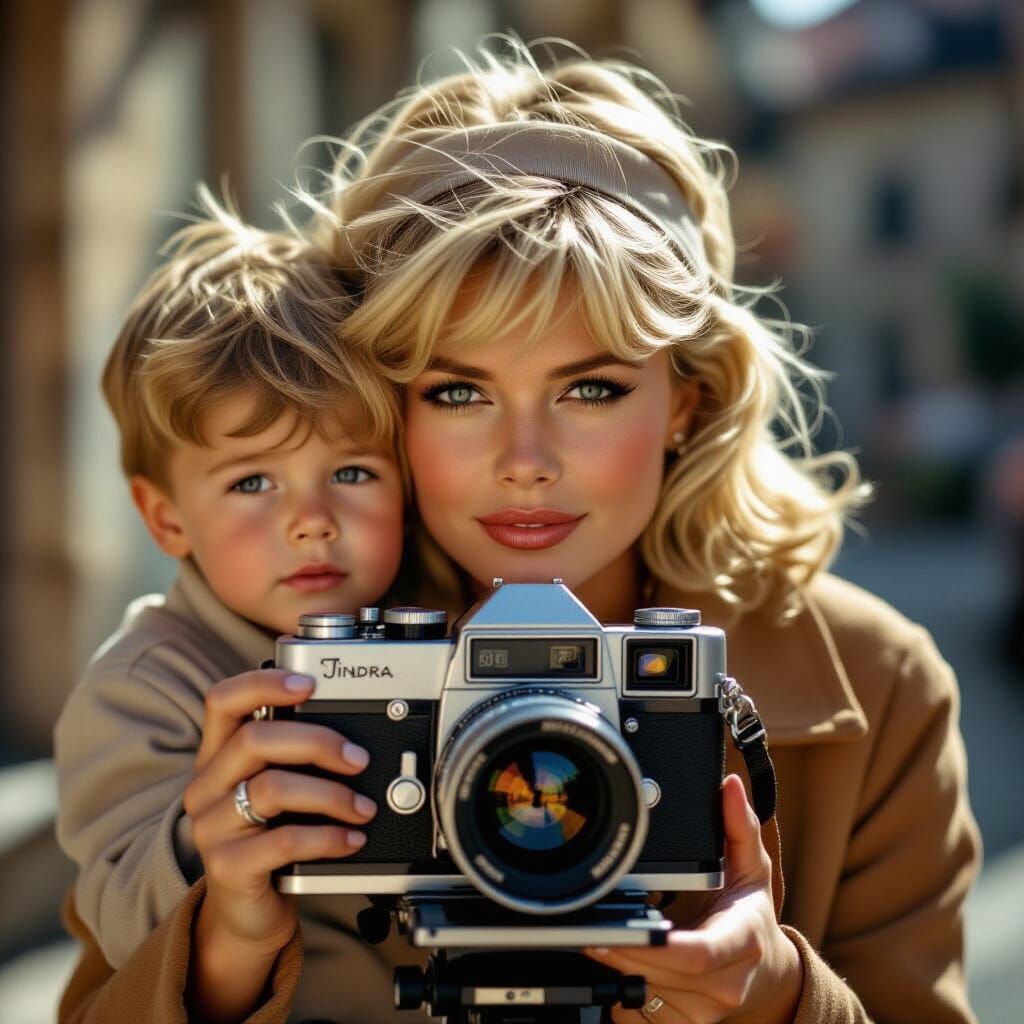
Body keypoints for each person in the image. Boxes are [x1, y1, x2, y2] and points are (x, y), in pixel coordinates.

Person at [58, 39, 981, 1024]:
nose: (525, 459)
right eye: (458, 392)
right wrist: (218, 947)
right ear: (380, 404)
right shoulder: (260, 673)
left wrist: (781, 998)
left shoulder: (874, 689)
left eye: (591, 388)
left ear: (687, 400)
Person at [54, 191, 409, 1019]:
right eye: (253, 482)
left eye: (352, 472)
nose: (312, 519)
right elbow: (123, 928)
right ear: (166, 518)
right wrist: (206, 839)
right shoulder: (147, 686)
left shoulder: (441, 636)